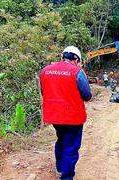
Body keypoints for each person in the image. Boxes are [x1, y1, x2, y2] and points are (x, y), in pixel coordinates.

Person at [40, 46, 92, 180]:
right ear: (76, 60)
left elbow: (44, 91)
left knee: (61, 140)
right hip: (73, 117)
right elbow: (87, 95)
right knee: (71, 146)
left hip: (54, 116)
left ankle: (59, 168)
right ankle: (67, 176)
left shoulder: (45, 71)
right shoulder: (77, 72)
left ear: (62, 57)